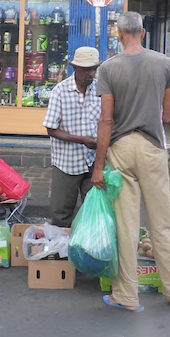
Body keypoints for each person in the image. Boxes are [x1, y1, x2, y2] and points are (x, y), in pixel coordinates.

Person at [92, 11, 170, 313]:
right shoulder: (164, 63)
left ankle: (126, 295)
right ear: (144, 33)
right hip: (152, 147)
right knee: (162, 225)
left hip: (121, 149)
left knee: (126, 226)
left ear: (119, 35)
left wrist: (99, 166)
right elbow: (165, 116)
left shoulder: (108, 68)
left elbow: (106, 120)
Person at [42, 46, 101, 227]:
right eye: (86, 69)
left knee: (95, 212)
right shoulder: (60, 91)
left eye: (93, 69)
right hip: (66, 163)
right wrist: (82, 140)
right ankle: (61, 251)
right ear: (75, 68)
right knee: (61, 214)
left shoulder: (101, 90)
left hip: (92, 162)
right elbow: (51, 129)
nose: (91, 73)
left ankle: (89, 251)